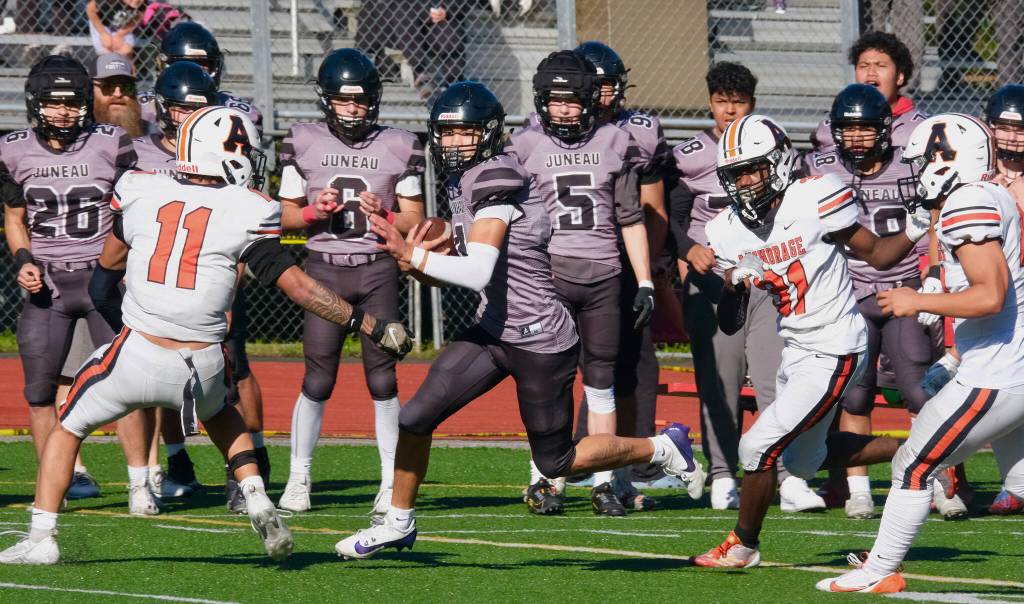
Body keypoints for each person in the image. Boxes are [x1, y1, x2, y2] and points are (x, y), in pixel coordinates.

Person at [0, 106, 412, 566]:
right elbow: (299, 287)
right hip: (206, 361)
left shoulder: (139, 190)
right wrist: (369, 324)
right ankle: (255, 494)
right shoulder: (251, 208)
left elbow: (103, 280)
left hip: (139, 350)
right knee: (221, 413)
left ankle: (42, 537)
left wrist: (133, 330)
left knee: (67, 427)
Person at [334, 81, 704, 559]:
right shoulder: (462, 179)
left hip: (540, 338)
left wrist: (416, 257)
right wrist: (418, 253)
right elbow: (465, 255)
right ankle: (398, 523)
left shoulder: (497, 177)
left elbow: (477, 270)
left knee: (559, 461)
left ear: (487, 134)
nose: (453, 144)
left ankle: (661, 448)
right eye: (445, 134)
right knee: (415, 417)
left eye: (464, 133)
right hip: (494, 328)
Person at [691, 114, 929, 568]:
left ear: (778, 163)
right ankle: (928, 447)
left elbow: (877, 255)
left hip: (837, 342)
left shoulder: (816, 197)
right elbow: (727, 323)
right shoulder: (726, 229)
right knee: (803, 462)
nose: (742, 183)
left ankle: (742, 544)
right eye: (733, 174)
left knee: (756, 446)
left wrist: (916, 227)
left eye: (751, 170)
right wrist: (734, 287)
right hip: (796, 347)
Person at [816, 113, 1024, 593]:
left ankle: (880, 569)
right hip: (1002, 363)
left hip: (996, 372)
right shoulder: (987, 195)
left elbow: (989, 294)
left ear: (946, 159)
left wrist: (917, 299)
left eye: (924, 159)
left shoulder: (967, 203)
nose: (916, 171)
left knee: (913, 465)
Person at [0, 55, 159, 516]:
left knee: (128, 384)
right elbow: (15, 218)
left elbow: (135, 206)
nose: (64, 113)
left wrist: (128, 260)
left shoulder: (110, 142)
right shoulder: (13, 150)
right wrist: (23, 259)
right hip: (46, 284)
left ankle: (139, 484)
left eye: (72, 105)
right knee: (39, 389)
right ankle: (58, 485)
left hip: (102, 280)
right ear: (36, 104)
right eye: (54, 104)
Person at [276, 48, 426, 517]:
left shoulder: (399, 144)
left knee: (382, 378)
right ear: (327, 100)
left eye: (360, 102)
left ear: (375, 101)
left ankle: (388, 480)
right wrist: (311, 213)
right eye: (343, 101)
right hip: (323, 268)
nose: (353, 110)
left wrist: (385, 214)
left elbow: (415, 221)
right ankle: (299, 476)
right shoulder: (302, 141)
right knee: (318, 377)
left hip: (376, 269)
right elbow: (286, 229)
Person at [669, 63, 824, 512]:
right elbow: (670, 218)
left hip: (768, 280)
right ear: (709, 102)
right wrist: (686, 250)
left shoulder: (774, 148)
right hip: (716, 281)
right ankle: (722, 474)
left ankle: (784, 475)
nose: (730, 109)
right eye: (722, 101)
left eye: (738, 101)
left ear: (752, 103)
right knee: (721, 381)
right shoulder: (692, 154)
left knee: (778, 381)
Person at [506, 50, 656, 516]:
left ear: (591, 100)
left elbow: (631, 218)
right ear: (541, 101)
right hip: (546, 276)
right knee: (548, 382)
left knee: (602, 380)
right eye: (556, 101)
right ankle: (544, 479)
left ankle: (605, 480)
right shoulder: (526, 144)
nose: (565, 109)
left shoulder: (615, 140)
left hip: (604, 275)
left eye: (574, 101)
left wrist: (646, 280)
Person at [142, 22, 269, 511]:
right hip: (166, 263)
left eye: (204, 68)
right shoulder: (150, 130)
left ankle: (250, 466)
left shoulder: (232, 118)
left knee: (234, 367)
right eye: (183, 68)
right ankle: (176, 461)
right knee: (159, 368)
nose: (195, 78)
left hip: (219, 251)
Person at [803, 84, 937, 520]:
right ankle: (859, 489)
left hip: (903, 286)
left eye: (864, 129)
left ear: (884, 130)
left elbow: (934, 222)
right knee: (855, 397)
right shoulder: (821, 168)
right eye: (848, 129)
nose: (856, 138)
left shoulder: (912, 166)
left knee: (918, 387)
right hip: (848, 293)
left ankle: (928, 475)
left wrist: (932, 278)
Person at [566, 41, 670, 507]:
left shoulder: (639, 132)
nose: (604, 95)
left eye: (609, 85)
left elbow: (651, 210)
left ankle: (620, 472)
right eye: (596, 85)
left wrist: (648, 271)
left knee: (626, 370)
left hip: (625, 266)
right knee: (554, 367)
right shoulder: (549, 134)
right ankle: (553, 468)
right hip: (569, 263)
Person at [980, 84, 1024, 516]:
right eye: (1004, 127)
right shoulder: (978, 165)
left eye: (1019, 128)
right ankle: (1013, 481)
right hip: (988, 289)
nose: (1011, 137)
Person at [811, 32, 927, 152]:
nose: (871, 72)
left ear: (899, 76)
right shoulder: (832, 126)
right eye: (864, 66)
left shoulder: (922, 128)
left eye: (881, 65)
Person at [91, 54, 145, 138]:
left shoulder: (151, 133)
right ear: (90, 90)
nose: (118, 94)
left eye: (126, 86)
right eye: (107, 86)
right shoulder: (78, 136)